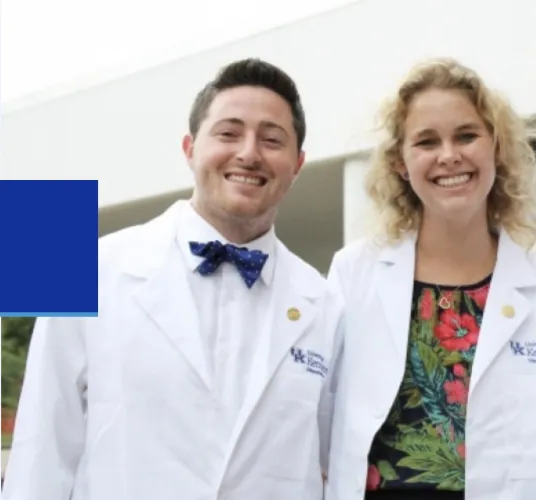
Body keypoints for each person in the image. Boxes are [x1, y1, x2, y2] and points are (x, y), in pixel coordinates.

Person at [2, 58, 342, 500]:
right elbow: (40, 453)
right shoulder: (86, 264)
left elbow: (334, 465)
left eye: (272, 140)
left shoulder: (326, 301)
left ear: (296, 165)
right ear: (190, 148)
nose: (249, 153)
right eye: (228, 133)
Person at [322, 58, 536, 500]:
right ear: (399, 162)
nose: (449, 155)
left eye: (466, 135)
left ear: (497, 147)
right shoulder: (355, 272)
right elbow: (318, 417)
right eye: (427, 141)